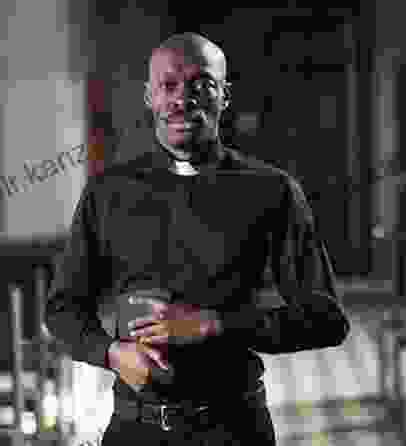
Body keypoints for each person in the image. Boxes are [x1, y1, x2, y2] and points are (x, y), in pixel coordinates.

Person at [45, 32, 350, 445]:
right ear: (149, 97)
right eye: (168, 85)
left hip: (235, 426)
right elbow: (63, 312)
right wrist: (111, 354)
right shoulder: (108, 192)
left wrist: (213, 324)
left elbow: (326, 320)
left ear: (224, 96)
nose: (182, 98)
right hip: (135, 429)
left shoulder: (272, 190)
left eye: (201, 85)